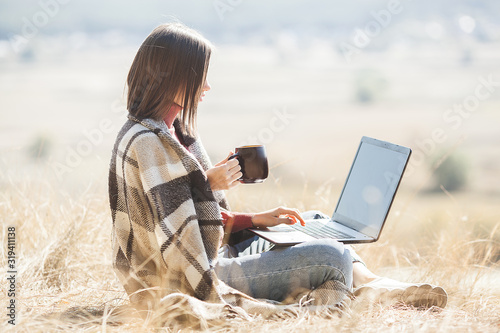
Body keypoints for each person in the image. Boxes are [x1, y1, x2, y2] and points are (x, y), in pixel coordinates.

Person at [108, 23, 447, 319]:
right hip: (190, 280)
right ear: (174, 77)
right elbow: (179, 243)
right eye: (200, 76)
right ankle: (364, 292)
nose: (207, 86)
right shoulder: (148, 142)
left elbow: (186, 222)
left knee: (311, 220)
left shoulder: (173, 132)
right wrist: (207, 184)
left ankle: (372, 286)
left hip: (209, 258)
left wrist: (256, 220)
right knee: (332, 256)